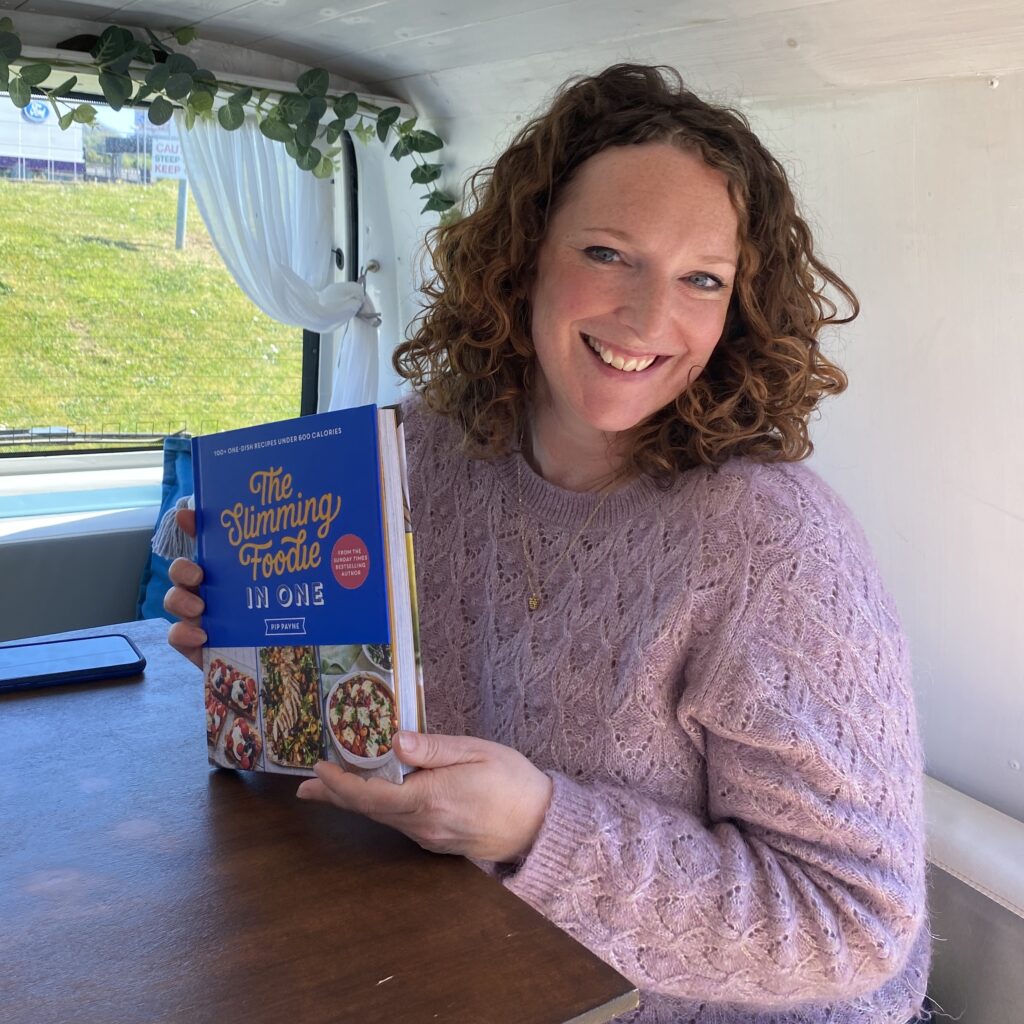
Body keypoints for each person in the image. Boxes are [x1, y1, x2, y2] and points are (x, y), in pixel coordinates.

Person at [166, 64, 930, 1023]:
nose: (650, 318)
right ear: (524, 256)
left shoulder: (774, 545)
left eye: (702, 278)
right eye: (609, 253)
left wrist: (539, 828)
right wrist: (260, 653)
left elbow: (853, 923)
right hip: (452, 961)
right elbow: (357, 750)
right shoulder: (412, 459)